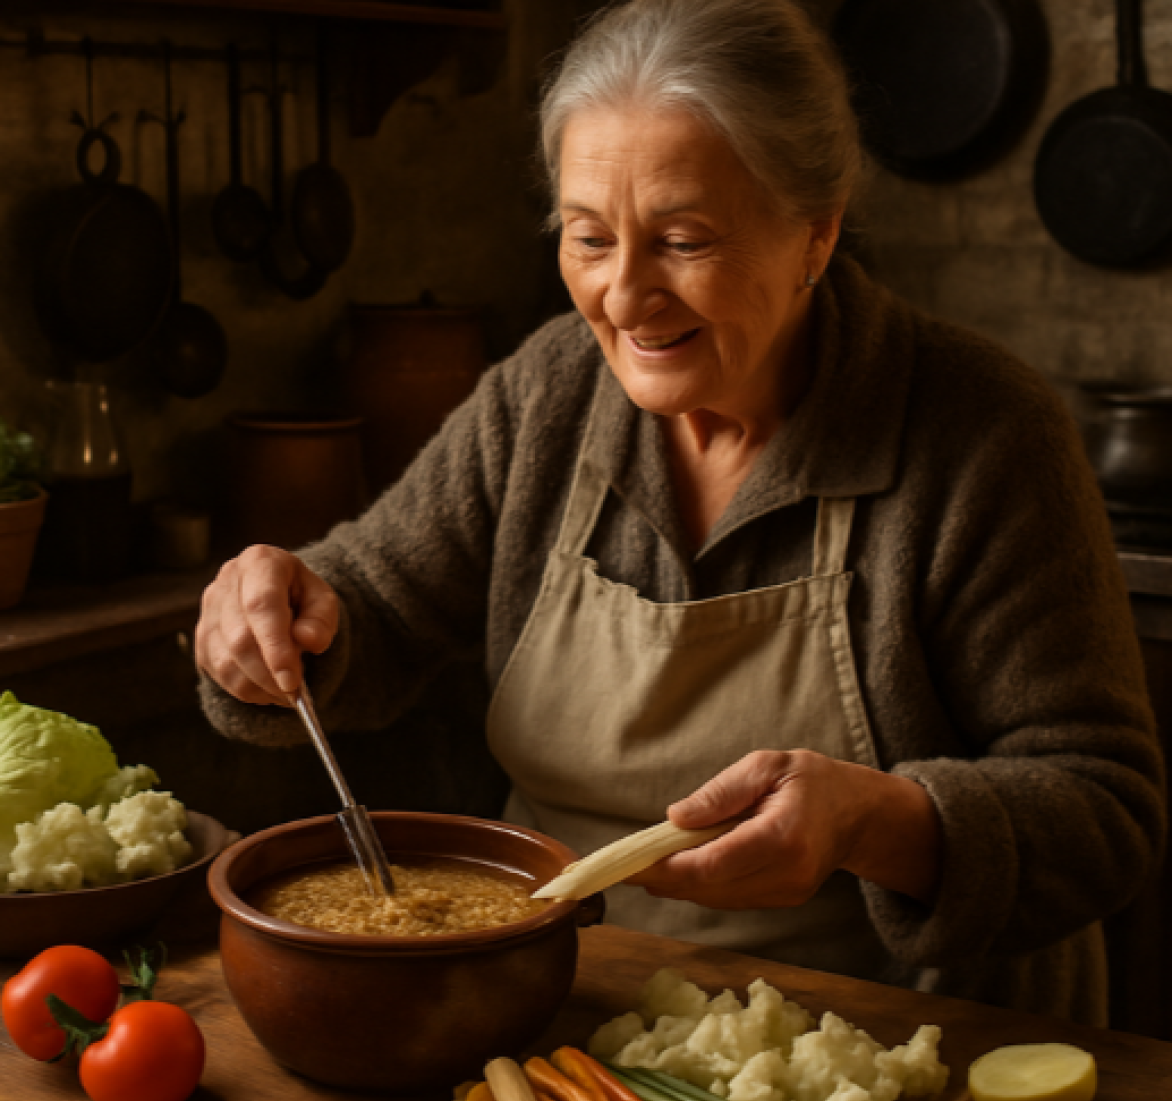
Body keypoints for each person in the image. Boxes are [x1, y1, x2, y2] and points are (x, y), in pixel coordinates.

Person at [195, 0, 1165, 1025]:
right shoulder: (547, 396)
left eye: (683, 240)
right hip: (569, 1014)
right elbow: (374, 605)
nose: (622, 295)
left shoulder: (979, 432)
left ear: (815, 232)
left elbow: (1103, 808)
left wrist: (875, 824)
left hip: (877, 1042)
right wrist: (283, 611)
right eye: (588, 238)